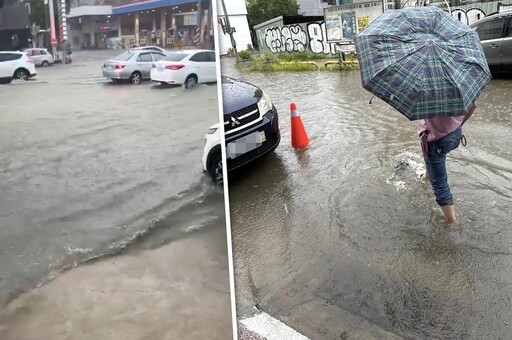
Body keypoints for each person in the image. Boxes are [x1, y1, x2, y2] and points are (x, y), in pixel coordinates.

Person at [418, 102, 477, 223]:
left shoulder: (426, 94)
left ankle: (451, 220)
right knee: (435, 159)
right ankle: (427, 176)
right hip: (455, 134)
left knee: (439, 184)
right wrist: (459, 124)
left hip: (436, 140)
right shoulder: (456, 88)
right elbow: (473, 105)